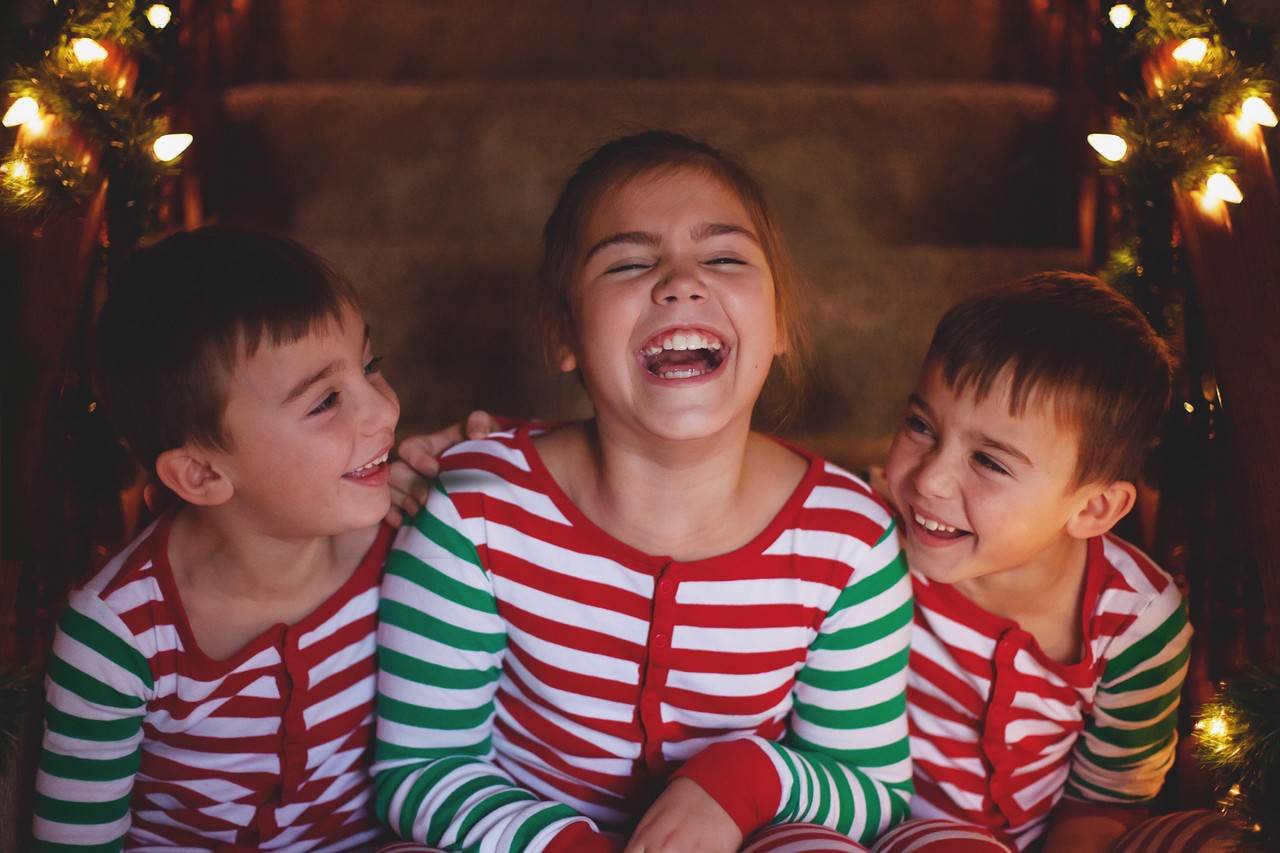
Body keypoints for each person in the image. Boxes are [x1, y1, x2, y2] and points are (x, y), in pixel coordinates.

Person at [393, 273, 1236, 852]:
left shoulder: (1142, 621)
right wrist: (489, 452)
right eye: (919, 425)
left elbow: (1103, 800)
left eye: (990, 462)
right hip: (872, 824)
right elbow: (632, 477)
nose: (929, 480)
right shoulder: (862, 545)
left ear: (1094, 508)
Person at [373, 131, 914, 852]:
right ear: (562, 333)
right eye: (629, 262)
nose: (681, 282)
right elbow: (420, 768)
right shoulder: (476, 511)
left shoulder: (849, 537)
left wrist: (742, 780)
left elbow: (872, 790)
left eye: (723, 257)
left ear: (779, 321)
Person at [33, 228, 401, 850]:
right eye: (326, 401)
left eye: (370, 367)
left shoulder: (408, 549)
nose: (383, 411)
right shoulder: (117, 636)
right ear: (201, 474)